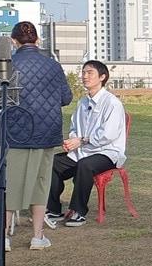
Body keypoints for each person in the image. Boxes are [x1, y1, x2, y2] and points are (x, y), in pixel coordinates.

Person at [1, 21, 73, 252]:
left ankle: (3, 238)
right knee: (41, 183)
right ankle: (37, 236)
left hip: (16, 132)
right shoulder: (52, 65)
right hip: (47, 131)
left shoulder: (7, 65)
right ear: (38, 40)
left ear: (14, 41)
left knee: (10, 184)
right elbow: (66, 98)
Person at [46, 60, 127, 227]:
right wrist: (72, 141)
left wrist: (81, 141)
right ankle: (53, 209)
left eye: (89, 73)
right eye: (83, 72)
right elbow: (75, 127)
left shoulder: (112, 103)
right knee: (52, 163)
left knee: (85, 165)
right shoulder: (82, 102)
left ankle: (78, 211)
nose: (84, 76)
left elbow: (108, 135)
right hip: (82, 150)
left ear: (102, 77)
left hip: (107, 152)